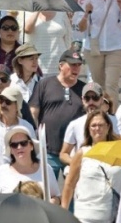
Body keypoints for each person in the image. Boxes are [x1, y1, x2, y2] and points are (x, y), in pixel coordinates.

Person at [30, 49, 87, 177]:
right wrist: (35, 141)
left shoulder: (85, 89)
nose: (76, 68)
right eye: (72, 64)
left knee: (73, 193)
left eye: (78, 65)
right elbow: (33, 112)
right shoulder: (44, 84)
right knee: (49, 192)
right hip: (48, 151)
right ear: (61, 66)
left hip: (74, 152)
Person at [0, 126, 59, 199]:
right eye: (14, 145)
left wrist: (53, 202)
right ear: (10, 150)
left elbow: (57, 196)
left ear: (31, 146)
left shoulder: (45, 169)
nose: (19, 147)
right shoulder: (2, 172)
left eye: (23, 143)